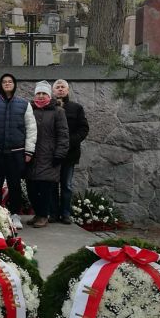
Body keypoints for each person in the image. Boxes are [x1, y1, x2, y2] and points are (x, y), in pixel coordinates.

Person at [0, 73, 37, 230]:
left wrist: (29, 151)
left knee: (15, 185)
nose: (7, 84)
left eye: (10, 81)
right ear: (0, 85)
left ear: (14, 84)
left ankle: (15, 215)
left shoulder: (24, 104)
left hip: (16, 153)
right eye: (4, 82)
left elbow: (31, 128)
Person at [26, 81, 69, 228]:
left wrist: (59, 154)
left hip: (49, 157)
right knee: (31, 189)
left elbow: (63, 135)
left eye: (44, 93)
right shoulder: (29, 110)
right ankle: (38, 214)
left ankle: (43, 216)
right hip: (32, 156)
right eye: (38, 93)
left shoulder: (58, 111)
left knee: (44, 189)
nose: (41, 96)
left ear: (49, 96)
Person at [51, 79, 89, 224]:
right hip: (52, 154)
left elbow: (83, 129)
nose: (60, 89)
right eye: (58, 87)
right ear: (53, 91)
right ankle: (53, 213)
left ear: (67, 90)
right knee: (52, 185)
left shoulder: (76, 108)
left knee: (66, 185)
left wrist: (69, 142)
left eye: (63, 87)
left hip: (70, 154)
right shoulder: (49, 107)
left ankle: (66, 213)